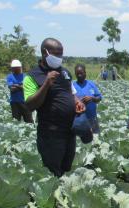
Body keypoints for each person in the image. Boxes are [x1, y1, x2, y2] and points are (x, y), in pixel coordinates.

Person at [23, 38, 85, 177]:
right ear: (45, 53)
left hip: (69, 131)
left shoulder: (65, 73)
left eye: (61, 54)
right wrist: (46, 83)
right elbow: (30, 105)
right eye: (56, 54)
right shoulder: (32, 76)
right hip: (51, 134)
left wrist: (77, 102)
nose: (59, 57)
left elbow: (71, 92)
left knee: (66, 167)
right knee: (53, 170)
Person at [73, 64, 102, 134]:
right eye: (77, 74)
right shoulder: (72, 85)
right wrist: (78, 101)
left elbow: (99, 97)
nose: (79, 75)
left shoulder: (91, 84)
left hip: (92, 117)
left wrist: (92, 98)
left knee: (95, 138)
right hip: (79, 118)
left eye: (81, 73)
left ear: (85, 73)